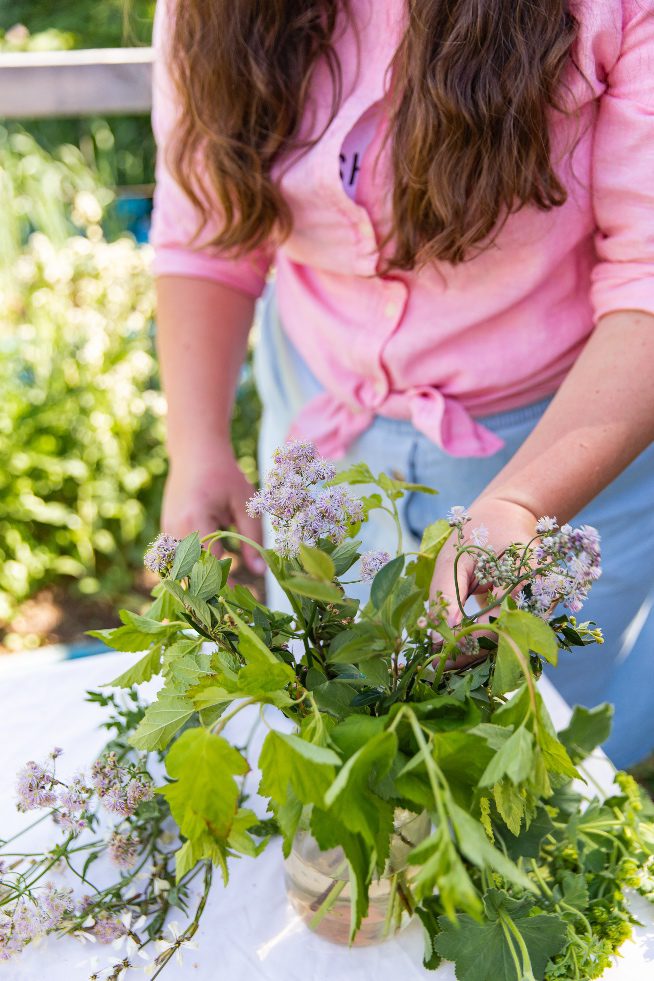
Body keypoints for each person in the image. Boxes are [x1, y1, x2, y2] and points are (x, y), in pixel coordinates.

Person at [149, 0, 654, 769]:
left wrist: (523, 502)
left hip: (567, 437)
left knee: (539, 747)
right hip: (320, 424)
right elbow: (204, 228)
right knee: (339, 723)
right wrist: (196, 445)